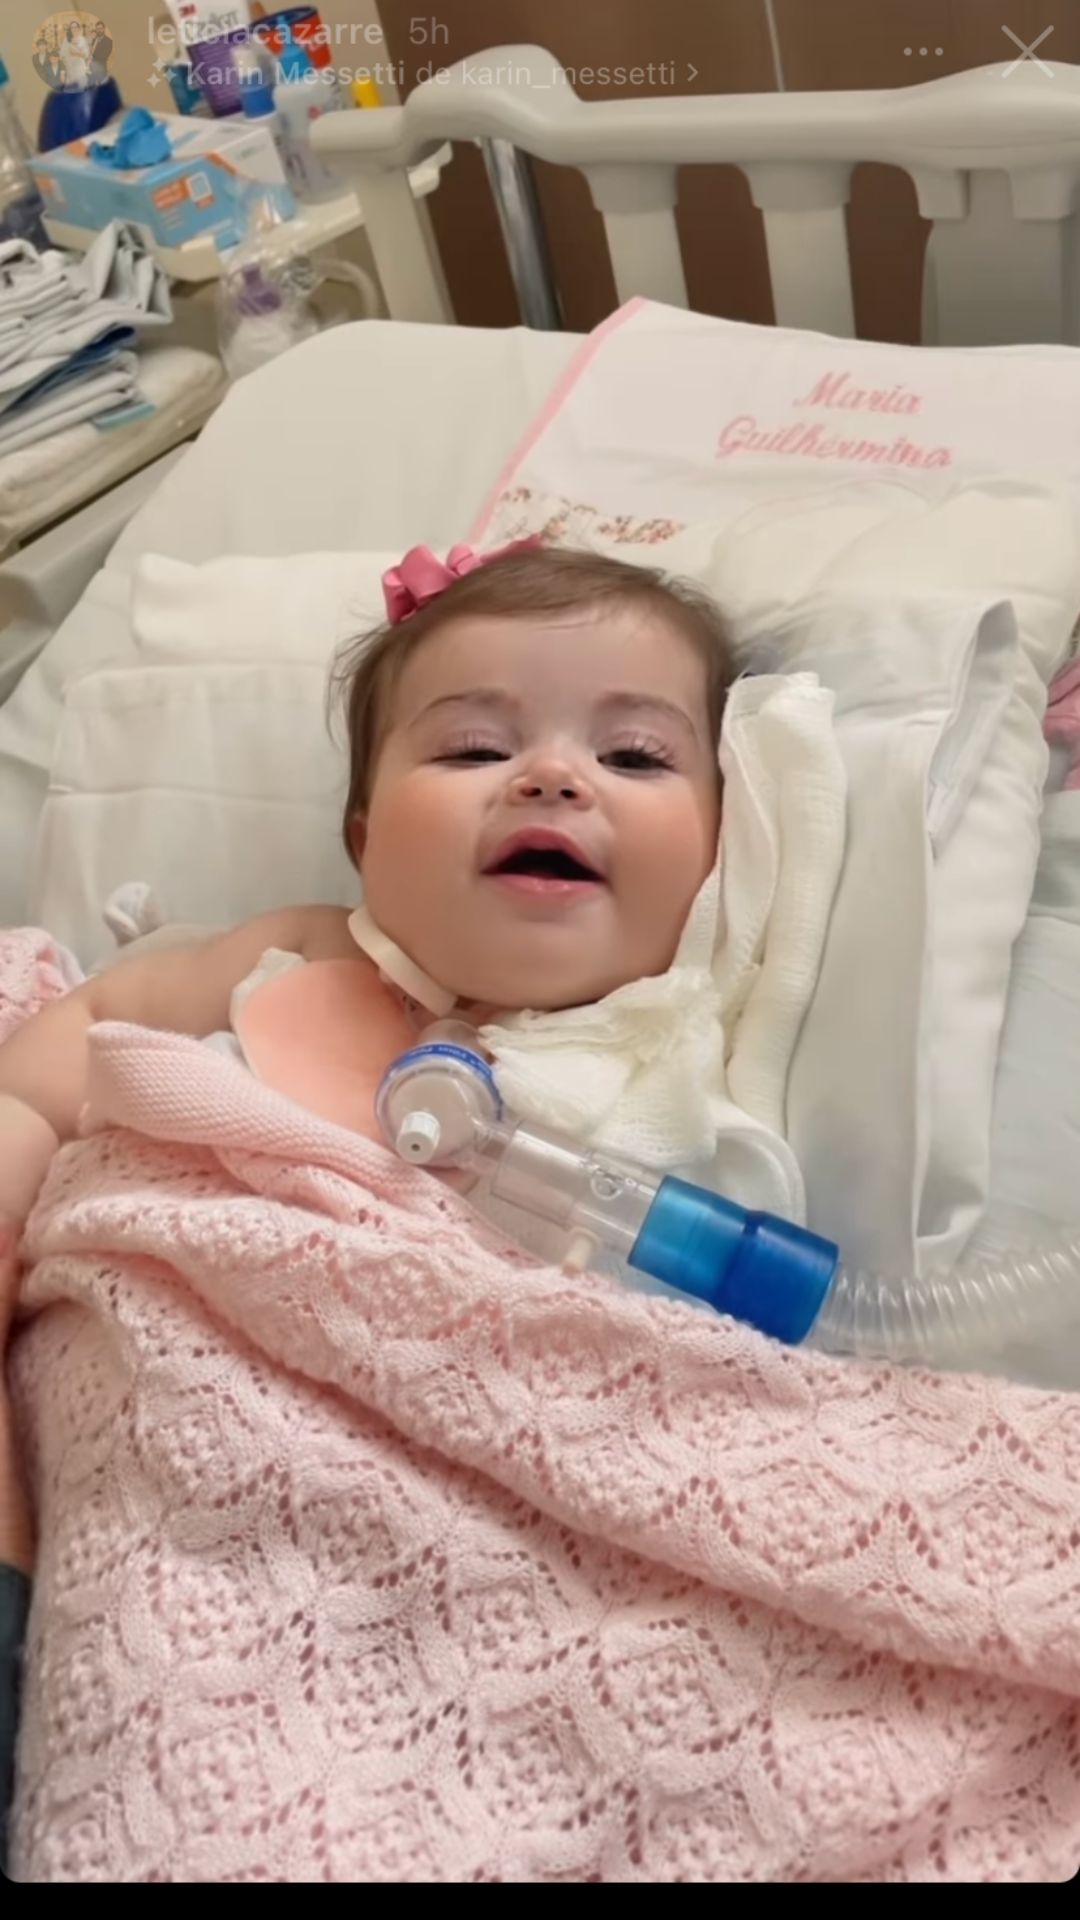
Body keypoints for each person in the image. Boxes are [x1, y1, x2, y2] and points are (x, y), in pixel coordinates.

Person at [0, 541, 732, 1852]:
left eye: (634, 756)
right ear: (363, 837)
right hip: (167, 1456)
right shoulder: (294, 956)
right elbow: (58, 1064)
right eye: (472, 748)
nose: (552, 775)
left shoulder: (688, 1052)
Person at [60, 21, 90, 89]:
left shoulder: (82, 39)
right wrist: (63, 71)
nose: (74, 29)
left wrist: (76, 53)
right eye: (72, 27)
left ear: (78, 28)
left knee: (81, 87)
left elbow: (86, 55)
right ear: (70, 29)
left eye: (75, 27)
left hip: (79, 67)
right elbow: (62, 55)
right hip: (69, 67)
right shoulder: (66, 39)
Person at [88, 19, 113, 86]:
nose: (99, 30)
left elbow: (103, 56)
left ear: (104, 29)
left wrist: (92, 57)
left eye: (100, 28)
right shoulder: (94, 39)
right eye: (97, 29)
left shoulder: (109, 41)